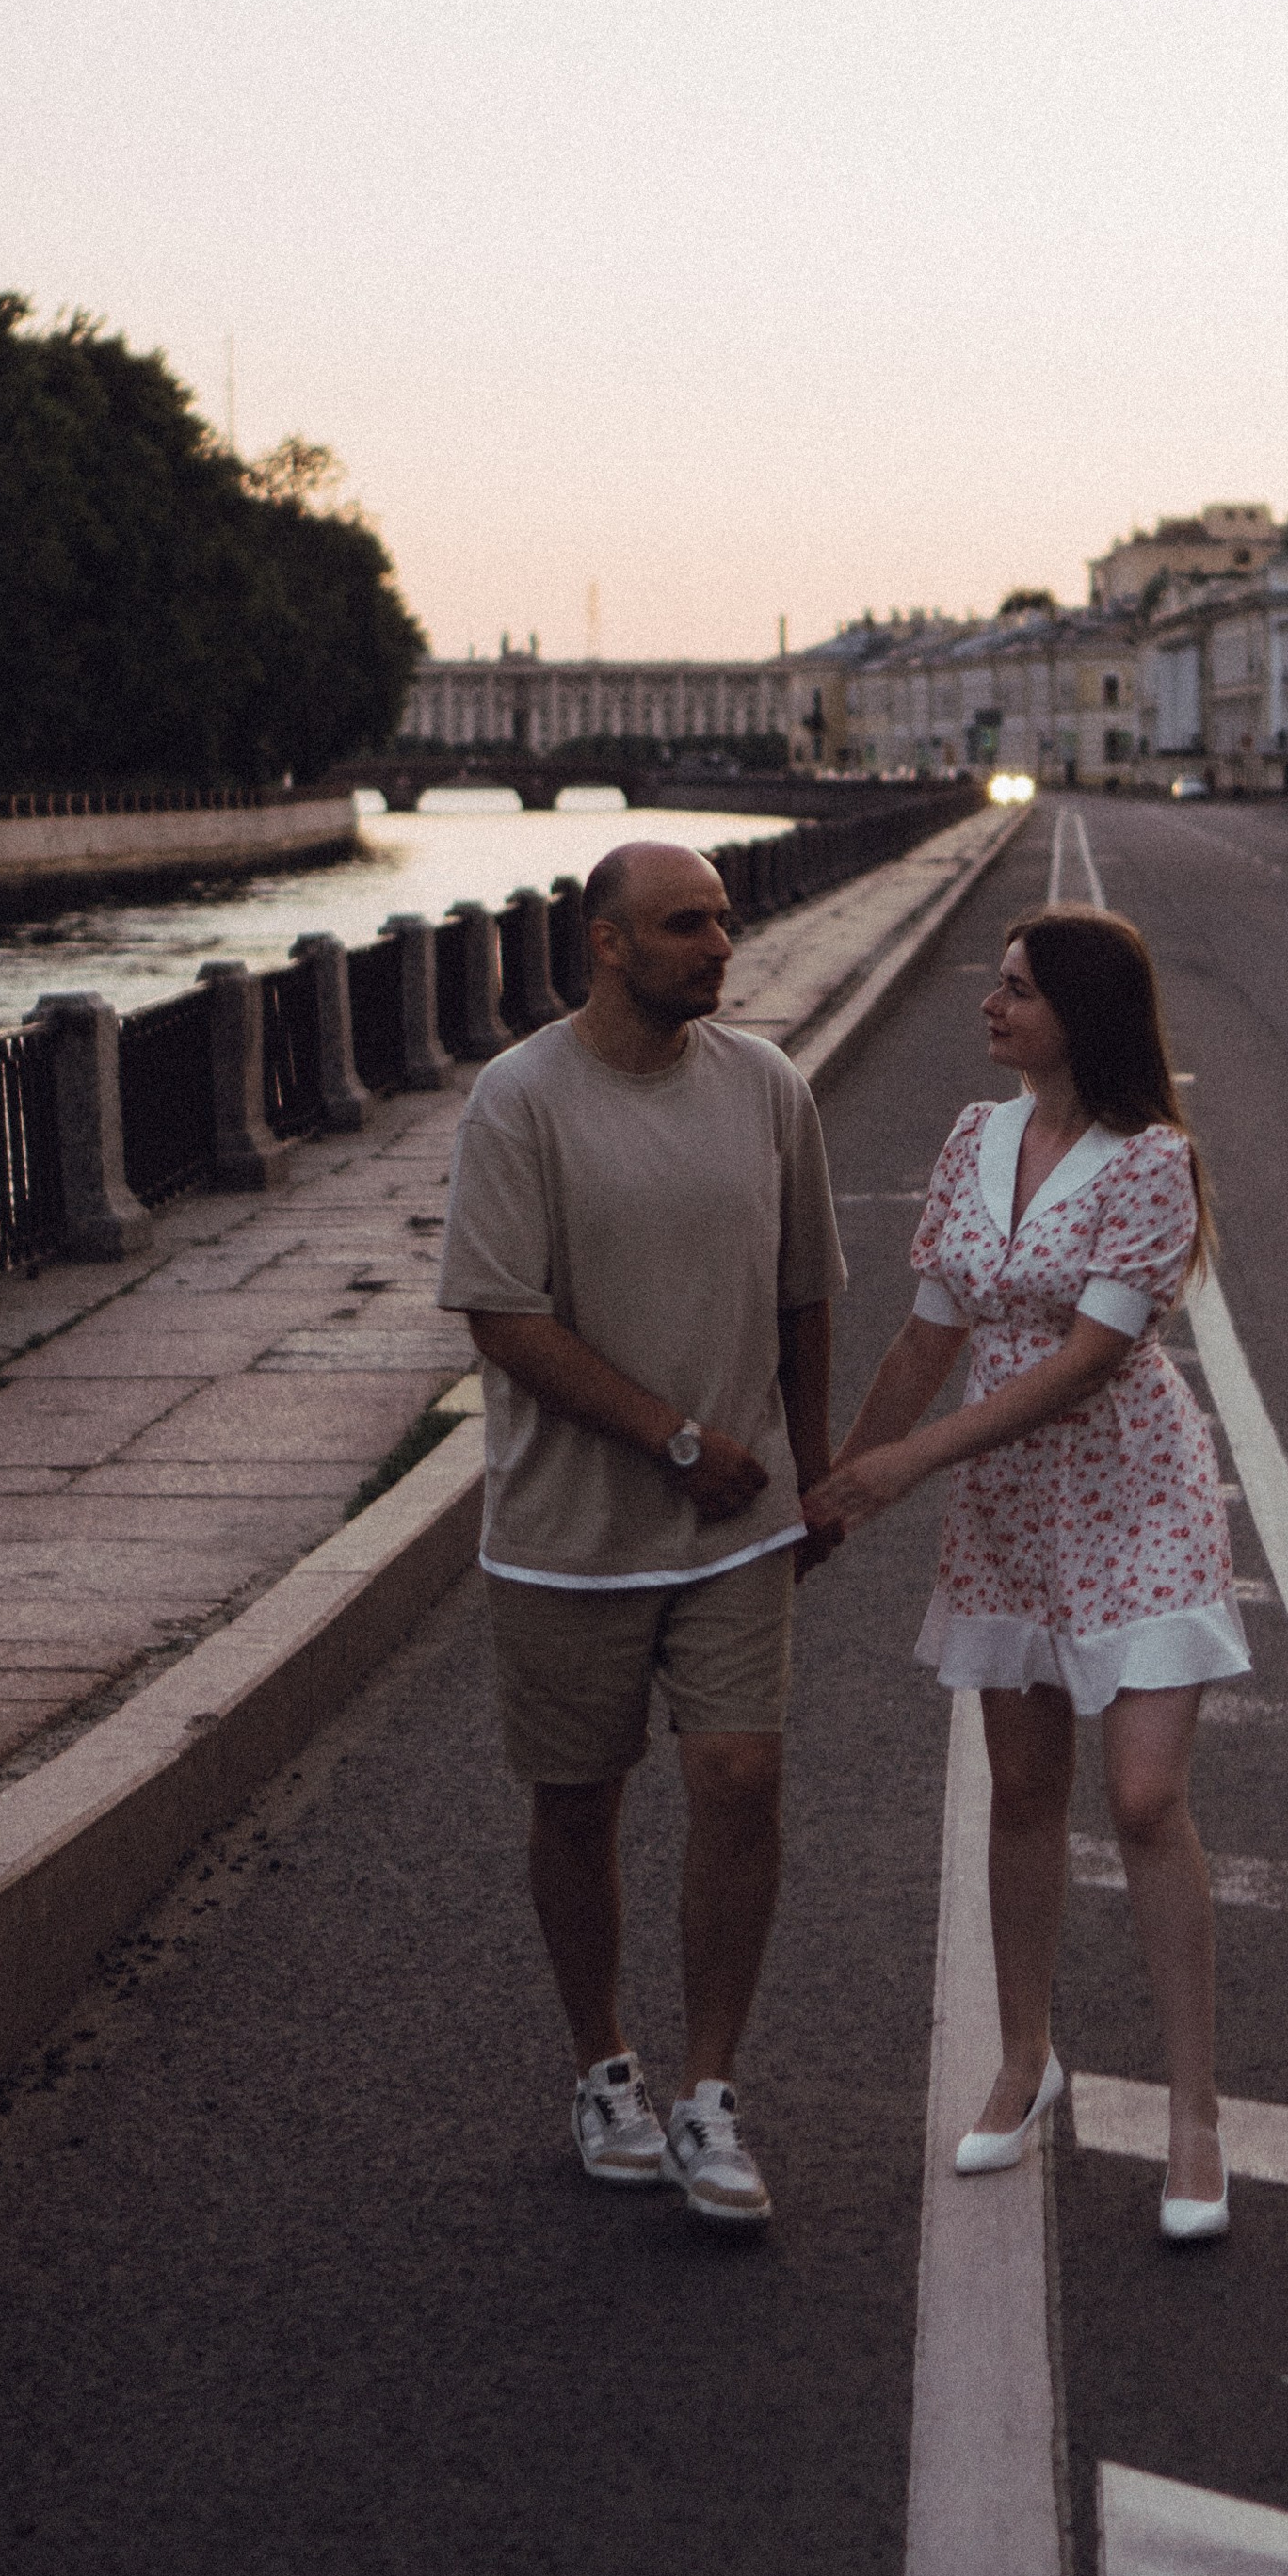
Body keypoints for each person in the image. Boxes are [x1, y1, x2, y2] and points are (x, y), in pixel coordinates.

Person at [805, 909, 1247, 2241]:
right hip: (1008, 1509)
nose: (989, 1007)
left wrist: (908, 1467)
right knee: (1023, 1793)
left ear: (1082, 1013)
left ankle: (1194, 2118)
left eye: (1015, 991)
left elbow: (1086, 1362)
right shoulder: (971, 1140)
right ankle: (1024, 2057)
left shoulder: (1152, 1161)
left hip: (1134, 1498)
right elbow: (928, 1337)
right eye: (993, 986)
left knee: (1146, 1798)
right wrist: (837, 1480)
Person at [437, 840, 845, 2229]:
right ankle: (603, 2065)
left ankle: (711, 2097)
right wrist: (673, 1439)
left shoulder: (770, 1089)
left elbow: (806, 1292)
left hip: (733, 1522)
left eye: (724, 920)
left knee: (738, 1779)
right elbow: (503, 1316)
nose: (720, 944)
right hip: (568, 1530)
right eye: (686, 925)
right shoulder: (520, 1099)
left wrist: (814, 1464)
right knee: (579, 1802)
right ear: (607, 944)